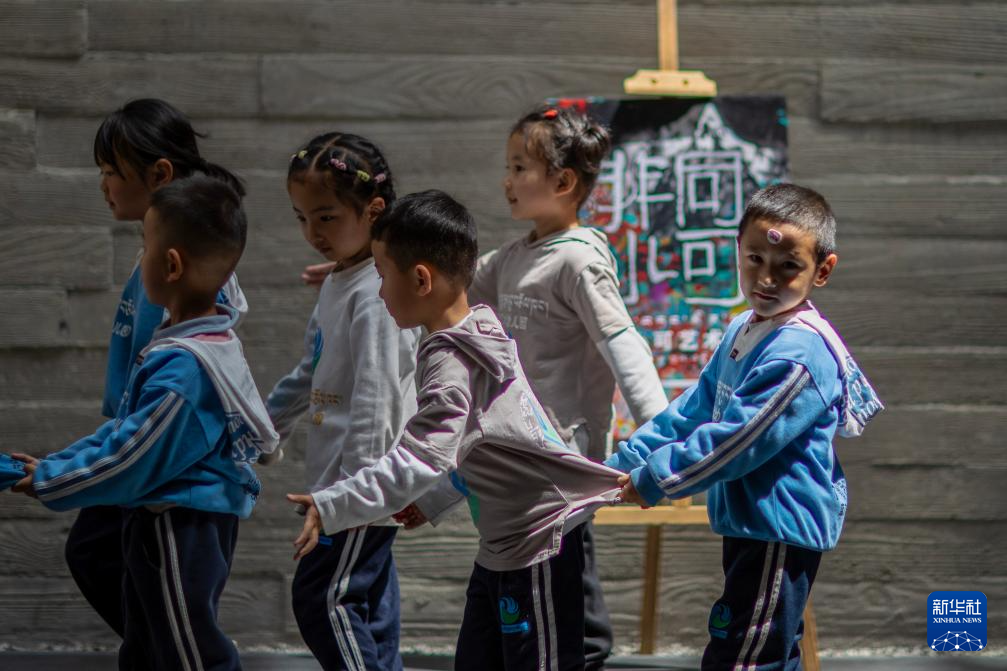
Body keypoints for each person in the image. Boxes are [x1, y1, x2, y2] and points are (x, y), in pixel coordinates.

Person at [288, 190, 625, 671]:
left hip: (539, 544)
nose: (379, 292)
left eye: (382, 276)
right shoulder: (479, 327)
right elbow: (489, 440)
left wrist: (332, 504)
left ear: (420, 279)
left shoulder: (451, 362)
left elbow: (420, 458)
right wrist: (432, 501)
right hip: (503, 548)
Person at [607, 184, 883, 670]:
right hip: (754, 525)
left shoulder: (799, 353)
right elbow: (695, 409)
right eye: (755, 258)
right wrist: (627, 459)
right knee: (761, 653)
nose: (766, 278)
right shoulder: (746, 327)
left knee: (745, 659)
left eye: (788, 266)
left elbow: (736, 441)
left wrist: (655, 478)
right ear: (737, 250)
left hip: (778, 531)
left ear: (822, 270)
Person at [13, 175, 277, 670]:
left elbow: (130, 454)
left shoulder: (185, 370)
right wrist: (53, 464)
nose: (141, 257)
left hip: (180, 527)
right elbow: (124, 430)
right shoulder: (187, 342)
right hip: (163, 518)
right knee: (146, 646)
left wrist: (51, 480)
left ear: (171, 265)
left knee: (190, 652)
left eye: (145, 246)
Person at [465, 104, 669, 667]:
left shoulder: (580, 262)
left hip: (560, 454)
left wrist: (663, 436)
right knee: (559, 571)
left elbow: (623, 344)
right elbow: (450, 284)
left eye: (519, 167)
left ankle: (580, 652)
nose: (507, 181)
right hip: (522, 453)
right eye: (508, 167)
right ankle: (585, 647)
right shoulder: (514, 258)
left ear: (563, 182)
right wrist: (369, 270)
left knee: (554, 574)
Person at [264, 133, 420, 671]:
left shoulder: (378, 294)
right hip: (348, 489)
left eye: (326, 217)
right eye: (302, 218)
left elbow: (380, 404)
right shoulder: (344, 280)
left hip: (358, 489)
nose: (313, 233)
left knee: (322, 599)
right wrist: (262, 429)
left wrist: (348, 498)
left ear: (373, 211)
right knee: (367, 608)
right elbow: (311, 370)